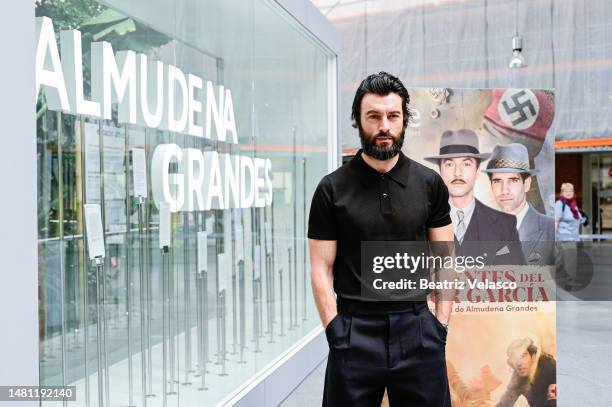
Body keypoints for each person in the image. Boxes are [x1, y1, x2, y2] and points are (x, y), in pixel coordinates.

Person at [308, 71, 455, 406]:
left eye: (393, 115)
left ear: (404, 119)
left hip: (418, 328)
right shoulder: (331, 189)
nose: (384, 126)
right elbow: (320, 268)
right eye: (373, 116)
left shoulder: (429, 183)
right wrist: (336, 332)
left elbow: (446, 257)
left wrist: (440, 324)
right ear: (358, 121)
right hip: (354, 331)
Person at [425, 129, 525, 265]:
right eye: (449, 164)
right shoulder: (420, 222)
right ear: (440, 171)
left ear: (477, 171)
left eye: (466, 164)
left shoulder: (505, 225)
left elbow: (518, 280)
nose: (457, 173)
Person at [483, 143, 555, 265]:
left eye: (513, 180)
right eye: (497, 181)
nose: (504, 190)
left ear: (526, 184)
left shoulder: (551, 230)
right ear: (491, 185)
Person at [496, 338, 557, 407]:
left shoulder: (550, 368)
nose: (519, 363)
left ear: (533, 356)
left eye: (523, 356)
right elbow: (506, 401)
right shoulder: (519, 375)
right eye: (515, 358)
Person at [555, 183, 586, 288]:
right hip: (564, 237)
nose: (569, 193)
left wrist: (583, 219)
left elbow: (577, 218)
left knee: (565, 260)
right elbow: (556, 220)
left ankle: (568, 281)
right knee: (564, 260)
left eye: (571, 191)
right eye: (566, 191)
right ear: (562, 192)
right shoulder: (560, 204)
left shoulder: (572, 204)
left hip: (572, 236)